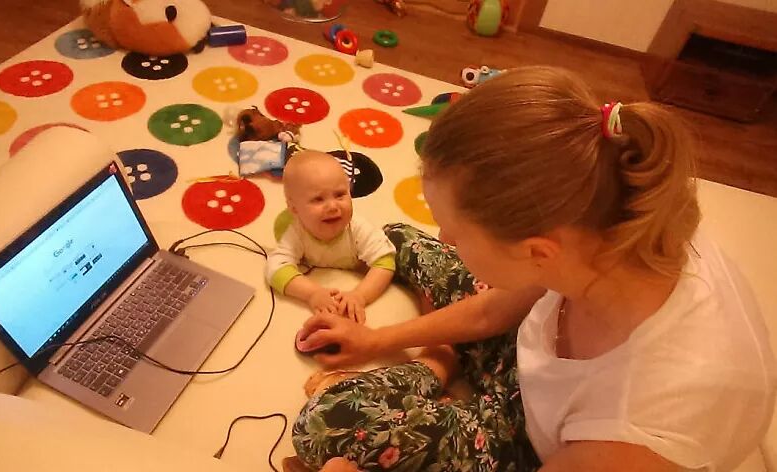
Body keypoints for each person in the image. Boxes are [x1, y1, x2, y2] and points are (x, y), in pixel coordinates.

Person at [287, 66, 777, 472]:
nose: (445, 238)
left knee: (324, 424)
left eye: (456, 231)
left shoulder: (639, 429)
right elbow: (493, 310)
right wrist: (375, 341)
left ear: (537, 252)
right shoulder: (614, 216)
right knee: (396, 239)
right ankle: (444, 362)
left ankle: (438, 368)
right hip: (529, 351)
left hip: (536, 440)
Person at [266, 150, 396, 323]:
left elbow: (385, 261)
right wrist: (312, 293)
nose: (333, 206)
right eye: (318, 199)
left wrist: (360, 296)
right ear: (294, 208)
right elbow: (275, 268)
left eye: (340, 194)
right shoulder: (297, 232)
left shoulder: (357, 228)